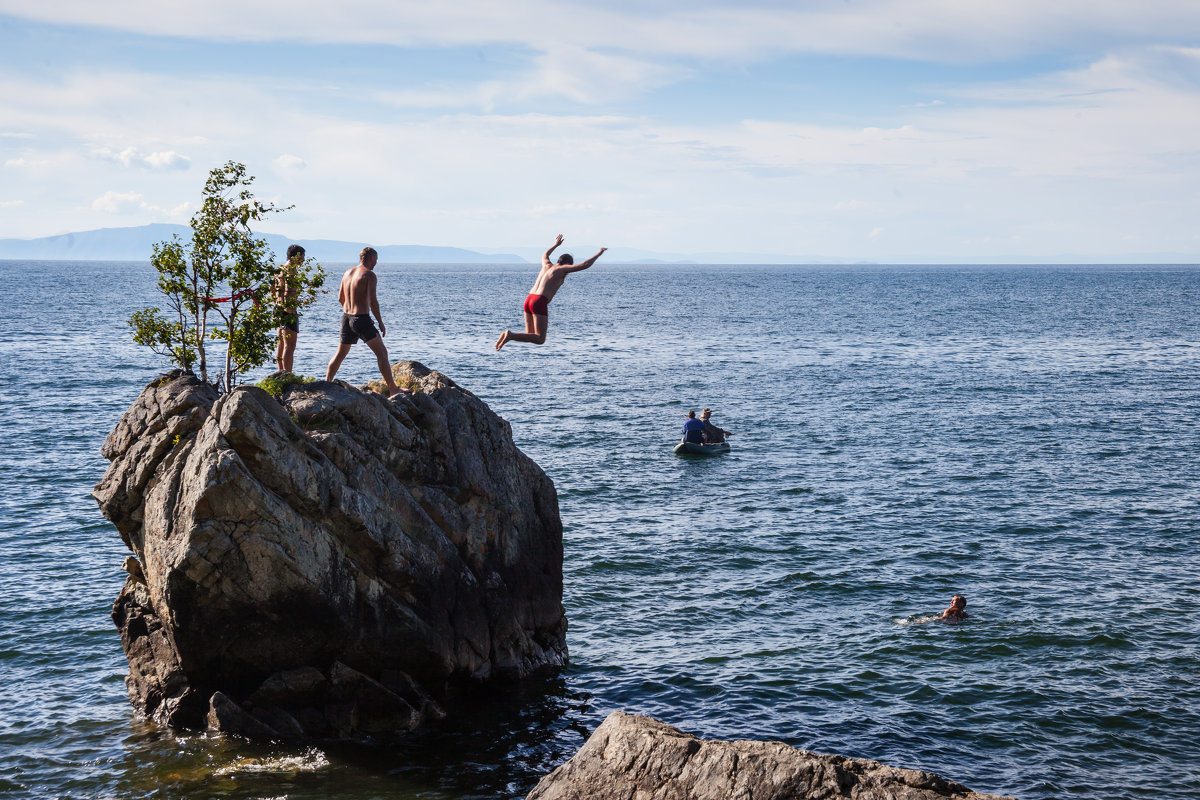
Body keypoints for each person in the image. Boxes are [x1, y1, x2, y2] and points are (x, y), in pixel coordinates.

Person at [495, 234, 607, 350]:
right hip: (539, 301)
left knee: (530, 334)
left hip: (529, 299)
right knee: (540, 339)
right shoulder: (561, 269)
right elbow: (584, 265)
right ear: (568, 264)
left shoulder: (546, 265)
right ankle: (510, 335)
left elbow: (545, 255)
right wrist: (599, 253)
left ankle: (508, 336)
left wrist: (555, 245)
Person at [325, 247, 404, 398]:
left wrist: (350, 311)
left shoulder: (347, 273)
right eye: (376, 259)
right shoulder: (369, 275)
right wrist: (380, 322)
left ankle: (326, 383)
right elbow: (373, 302)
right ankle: (393, 389)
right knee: (382, 353)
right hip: (361, 319)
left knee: (340, 354)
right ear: (370, 258)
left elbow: (340, 298)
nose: (377, 263)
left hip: (346, 318)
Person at [273, 244, 305, 372]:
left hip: (278, 309)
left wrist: (277, 304)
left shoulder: (280, 270)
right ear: (296, 256)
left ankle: (281, 373)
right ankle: (288, 375)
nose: (303, 260)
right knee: (289, 346)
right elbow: (287, 291)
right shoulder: (291, 270)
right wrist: (290, 311)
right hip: (288, 311)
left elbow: (272, 289)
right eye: (303, 256)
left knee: (281, 344)